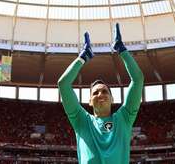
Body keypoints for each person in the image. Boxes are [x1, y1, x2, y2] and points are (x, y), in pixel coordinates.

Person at [58, 23, 144, 164]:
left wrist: (122, 50)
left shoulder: (124, 118)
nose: (100, 94)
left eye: (104, 91)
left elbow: (138, 79)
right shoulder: (82, 121)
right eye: (95, 93)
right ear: (90, 101)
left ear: (112, 98)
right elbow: (63, 84)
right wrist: (82, 58)